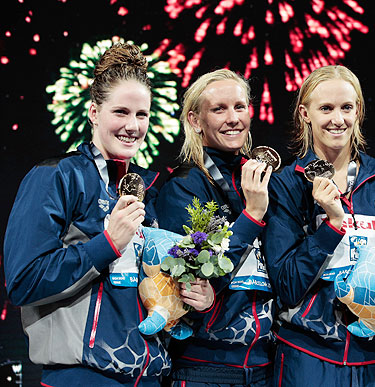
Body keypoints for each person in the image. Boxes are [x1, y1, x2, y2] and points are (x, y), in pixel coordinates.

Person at [2, 43, 215, 386]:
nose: (133, 126)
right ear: (93, 112)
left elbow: (158, 285)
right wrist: (107, 244)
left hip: (150, 377)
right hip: (82, 377)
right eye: (121, 112)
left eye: (142, 114)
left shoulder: (155, 187)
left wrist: (198, 297)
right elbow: (24, 282)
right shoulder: (57, 177)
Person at [262, 65, 375, 387]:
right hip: (307, 356)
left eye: (346, 108)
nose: (337, 119)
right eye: (326, 108)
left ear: (358, 112)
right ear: (304, 113)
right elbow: (288, 286)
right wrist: (333, 225)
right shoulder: (286, 185)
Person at [155, 69, 275, 386]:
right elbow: (187, 281)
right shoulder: (184, 186)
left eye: (239, 107)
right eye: (218, 109)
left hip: (264, 367)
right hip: (203, 368)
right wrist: (251, 216)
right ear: (195, 120)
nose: (233, 118)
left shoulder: (262, 180)